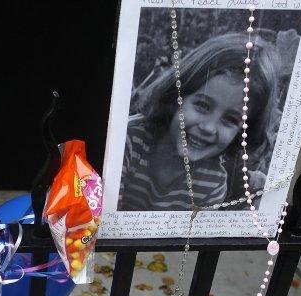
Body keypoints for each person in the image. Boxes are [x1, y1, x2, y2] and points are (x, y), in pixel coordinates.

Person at [118, 33, 280, 211]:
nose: (208, 128)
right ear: (175, 97)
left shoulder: (213, 184)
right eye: (202, 106)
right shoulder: (129, 140)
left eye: (231, 120)